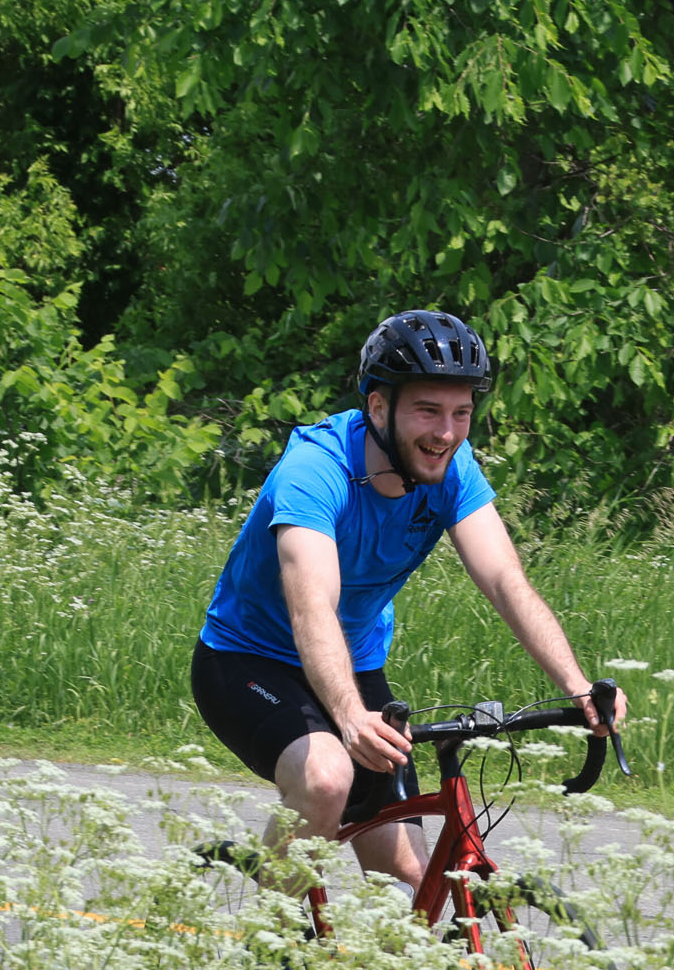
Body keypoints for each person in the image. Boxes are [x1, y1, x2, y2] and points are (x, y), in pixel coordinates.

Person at [191, 309, 624, 901]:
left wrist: (578, 688)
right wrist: (349, 718)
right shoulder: (316, 470)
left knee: (417, 887)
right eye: (427, 410)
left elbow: (505, 581)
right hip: (248, 662)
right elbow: (313, 606)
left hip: (355, 665)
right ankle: (267, 943)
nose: (446, 432)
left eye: (461, 413)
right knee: (326, 779)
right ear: (378, 407)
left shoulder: (451, 469)